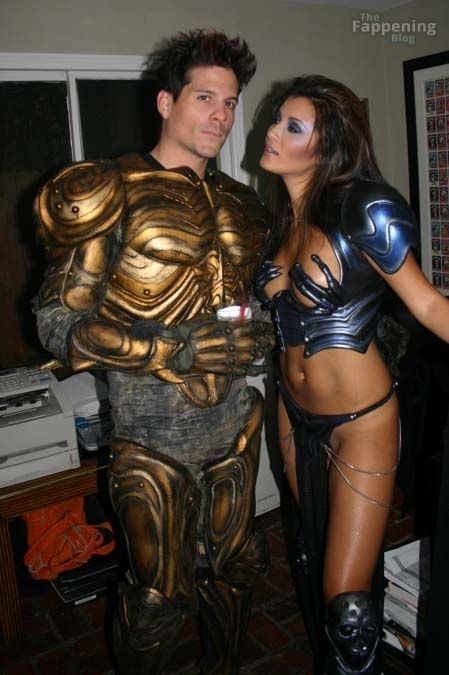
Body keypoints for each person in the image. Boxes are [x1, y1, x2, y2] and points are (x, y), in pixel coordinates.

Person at [34, 29, 273, 675]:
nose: (220, 116)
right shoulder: (110, 189)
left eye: (230, 101)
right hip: (150, 438)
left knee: (235, 572)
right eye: (205, 98)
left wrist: (259, 332)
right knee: (156, 600)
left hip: (232, 427)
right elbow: (57, 322)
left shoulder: (244, 204)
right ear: (166, 102)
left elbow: (246, 304)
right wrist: (172, 348)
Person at [255, 74, 449, 675]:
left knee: (349, 610)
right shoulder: (281, 221)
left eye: (292, 125)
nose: (272, 131)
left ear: (328, 145)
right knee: (315, 556)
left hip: (361, 421)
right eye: (276, 119)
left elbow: (427, 304)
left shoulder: (364, 208)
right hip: (292, 413)